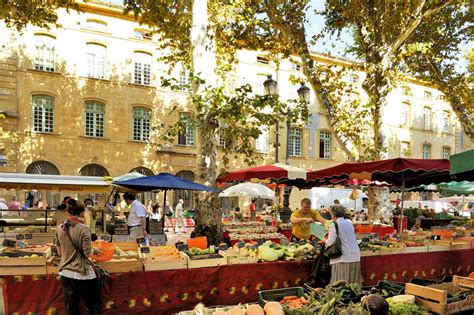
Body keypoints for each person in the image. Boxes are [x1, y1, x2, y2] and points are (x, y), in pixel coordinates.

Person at [55, 198, 102, 315]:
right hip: (82, 273)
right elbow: (87, 253)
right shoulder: (84, 228)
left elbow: (60, 252)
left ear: (68, 212)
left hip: (65, 273)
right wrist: (92, 250)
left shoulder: (60, 228)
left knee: (72, 307)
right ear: (81, 213)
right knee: (93, 305)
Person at [324, 204, 361, 285]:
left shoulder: (334, 224)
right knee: (353, 284)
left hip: (343, 258)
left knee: (341, 285)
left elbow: (330, 242)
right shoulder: (349, 223)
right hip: (355, 255)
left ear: (333, 214)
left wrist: (323, 239)